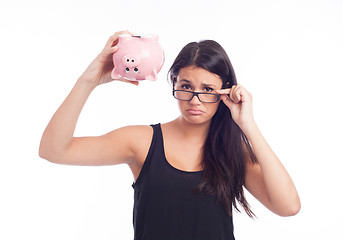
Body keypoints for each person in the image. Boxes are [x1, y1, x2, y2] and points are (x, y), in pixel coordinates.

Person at [39, 30, 301, 240]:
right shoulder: (141, 142)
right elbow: (54, 150)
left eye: (208, 89)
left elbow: (288, 206)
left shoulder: (232, 153)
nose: (195, 100)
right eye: (186, 86)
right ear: (173, 82)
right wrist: (89, 80)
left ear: (225, 93)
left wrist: (248, 125)